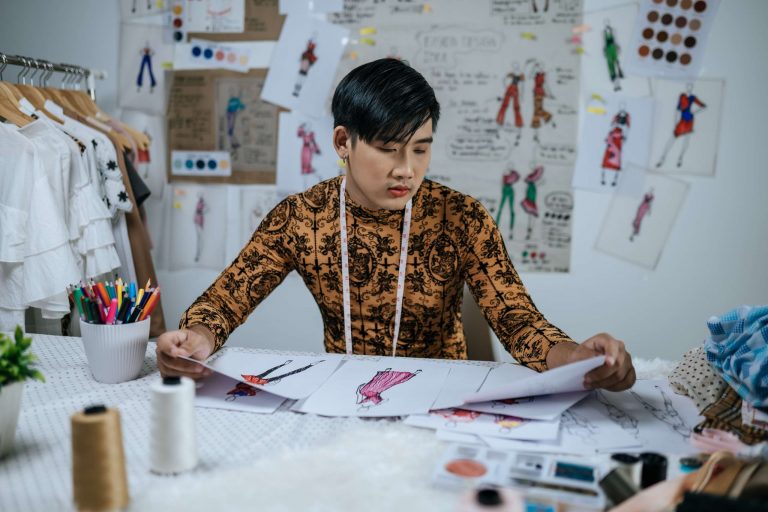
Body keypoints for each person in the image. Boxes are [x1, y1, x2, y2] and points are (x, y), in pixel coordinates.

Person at [157, 58, 635, 392]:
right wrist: (196, 338)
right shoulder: (302, 218)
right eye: (388, 148)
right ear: (343, 142)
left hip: (444, 396)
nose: (407, 168)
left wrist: (577, 359)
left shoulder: (462, 217)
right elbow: (225, 301)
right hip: (343, 392)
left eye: (421, 149)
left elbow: (518, 320)